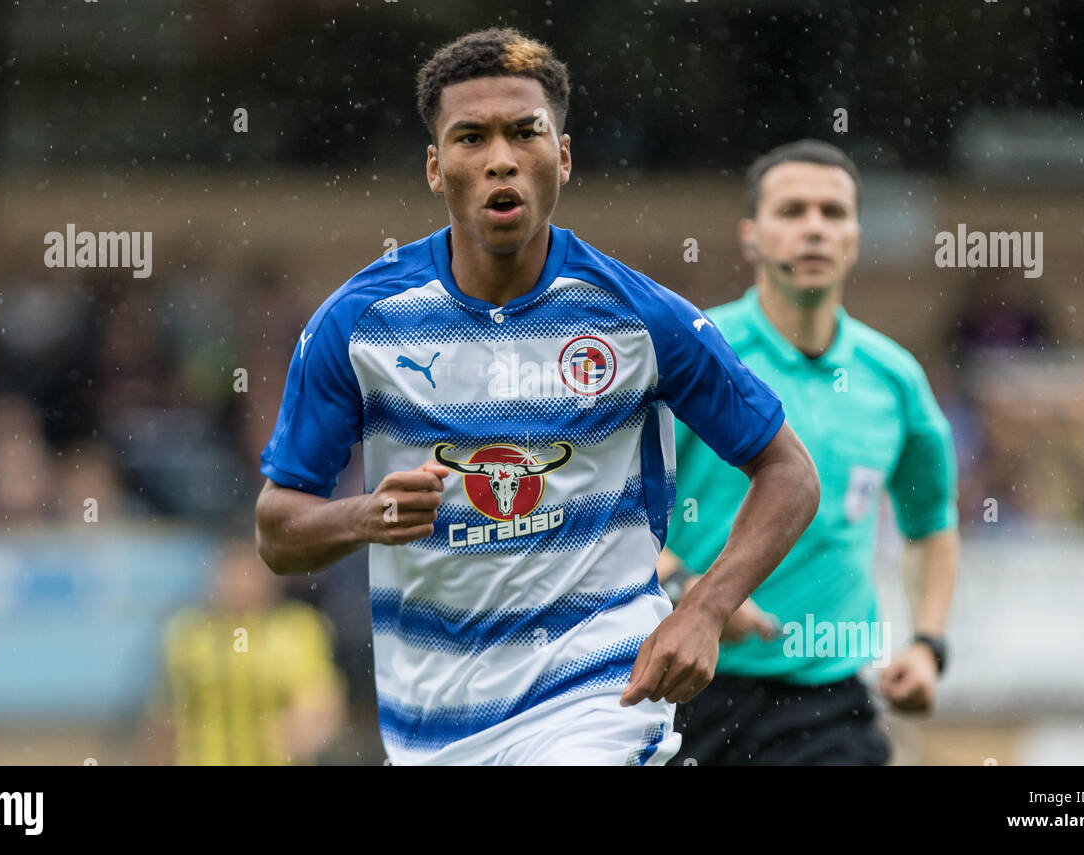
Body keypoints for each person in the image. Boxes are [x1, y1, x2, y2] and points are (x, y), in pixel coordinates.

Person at [254, 28, 820, 766]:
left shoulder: (639, 317)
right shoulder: (358, 324)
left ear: (563, 155)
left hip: (601, 699)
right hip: (432, 728)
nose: (500, 159)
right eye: (470, 138)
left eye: (526, 133)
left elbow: (790, 473)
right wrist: (366, 514)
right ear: (435, 165)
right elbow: (276, 529)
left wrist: (706, 609)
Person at [661, 139, 960, 765]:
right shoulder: (695, 358)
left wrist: (928, 644)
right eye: (792, 211)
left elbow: (931, 522)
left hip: (832, 707)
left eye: (833, 213)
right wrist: (696, 592)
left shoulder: (893, 377)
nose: (814, 229)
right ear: (751, 235)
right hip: (689, 690)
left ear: (855, 234)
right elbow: (608, 513)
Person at [147, 538, 346, 765]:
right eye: (233, 572)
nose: (241, 583)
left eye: (250, 572)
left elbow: (321, 702)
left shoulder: (298, 630)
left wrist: (306, 727)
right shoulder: (188, 633)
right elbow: (164, 720)